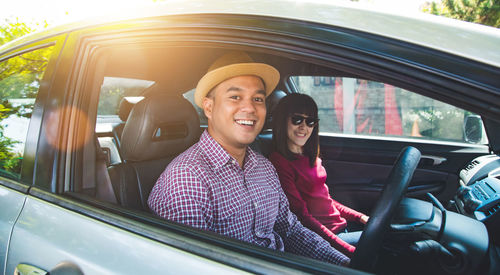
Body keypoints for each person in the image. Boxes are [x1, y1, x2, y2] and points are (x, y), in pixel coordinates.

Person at [148, 51, 350, 266]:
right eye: (235, 97)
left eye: (258, 99)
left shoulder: (263, 166)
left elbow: (289, 230)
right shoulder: (186, 179)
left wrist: (343, 264)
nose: (250, 108)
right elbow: (197, 267)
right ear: (208, 107)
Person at [269, 93, 369, 257]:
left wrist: (360, 217)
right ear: (282, 121)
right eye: (297, 120)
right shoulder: (280, 162)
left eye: (310, 121)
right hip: (326, 237)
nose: (304, 127)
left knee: (393, 235)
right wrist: (346, 249)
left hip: (341, 227)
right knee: (391, 242)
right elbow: (302, 217)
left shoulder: (309, 156)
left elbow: (326, 199)